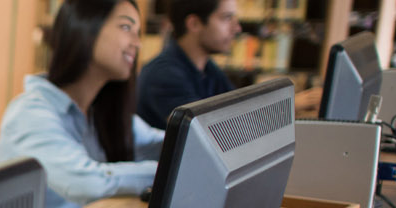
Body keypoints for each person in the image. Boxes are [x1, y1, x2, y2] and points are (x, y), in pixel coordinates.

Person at [0, 0, 164, 208]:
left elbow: (168, 144)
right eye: (126, 27)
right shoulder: (29, 113)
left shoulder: (100, 115)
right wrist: (161, 172)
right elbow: (86, 182)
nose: (137, 43)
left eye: (138, 32)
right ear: (85, 29)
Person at [137, 0, 321, 128]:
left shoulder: (207, 69)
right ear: (194, 23)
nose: (237, 28)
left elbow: (237, 110)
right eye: (226, 18)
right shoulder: (163, 75)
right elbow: (209, 132)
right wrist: (286, 105)